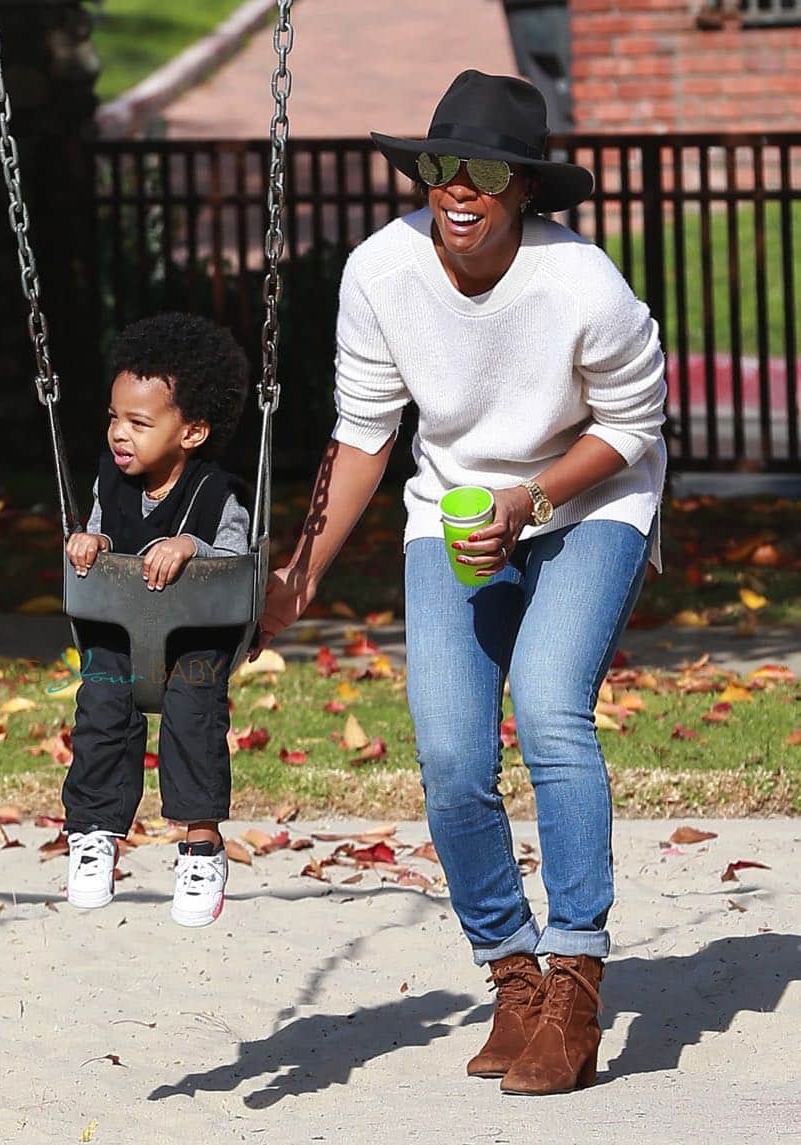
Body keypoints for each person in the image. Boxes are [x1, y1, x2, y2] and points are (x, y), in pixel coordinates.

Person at [255, 71, 666, 1094]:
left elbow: (633, 427)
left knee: (555, 708)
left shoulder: (584, 286)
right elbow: (362, 435)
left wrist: (529, 500)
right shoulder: (381, 272)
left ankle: (574, 973)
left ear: (523, 187)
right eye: (441, 166)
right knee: (447, 750)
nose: (458, 188)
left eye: (484, 170)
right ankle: (513, 971)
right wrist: (301, 572)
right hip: (452, 510)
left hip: (589, 501)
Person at [62, 312, 250, 928]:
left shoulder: (216, 492)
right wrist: (87, 544)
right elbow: (94, 527)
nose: (120, 434)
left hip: (193, 641)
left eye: (139, 423)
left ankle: (200, 845)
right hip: (120, 636)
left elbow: (237, 557)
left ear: (191, 432)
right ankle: (93, 835)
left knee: (194, 711)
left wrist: (192, 546)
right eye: (114, 417)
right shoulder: (110, 481)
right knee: (100, 707)